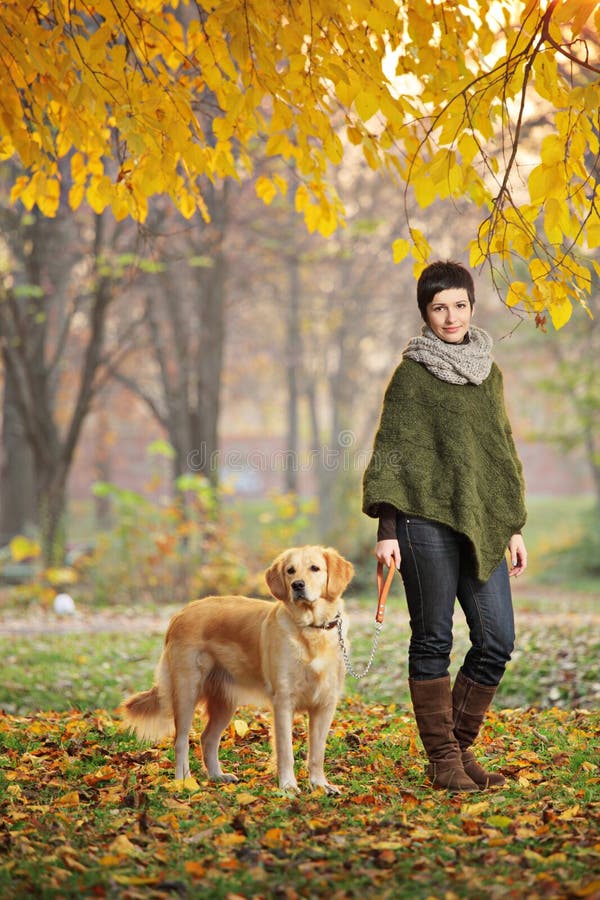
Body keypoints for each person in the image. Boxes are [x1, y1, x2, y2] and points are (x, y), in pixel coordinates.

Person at [362, 260, 527, 792]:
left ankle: (451, 753)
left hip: (481, 521)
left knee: (497, 638)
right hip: (421, 521)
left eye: (459, 305)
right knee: (433, 637)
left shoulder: (489, 372)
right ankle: (446, 760)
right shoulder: (412, 376)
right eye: (439, 308)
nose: (450, 316)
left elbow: (500, 452)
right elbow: (392, 453)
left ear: (472, 307)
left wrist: (514, 525)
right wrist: (387, 530)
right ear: (425, 313)